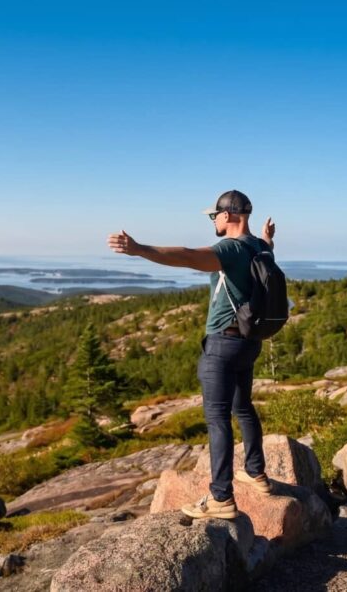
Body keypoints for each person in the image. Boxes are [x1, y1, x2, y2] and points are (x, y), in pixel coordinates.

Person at [106, 190, 275, 519]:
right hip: (249, 342)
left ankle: (221, 498)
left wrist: (139, 249)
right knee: (243, 409)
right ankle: (257, 474)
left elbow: (186, 256)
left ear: (227, 216)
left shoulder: (231, 248)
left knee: (217, 419)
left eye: (215, 216)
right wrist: (268, 239)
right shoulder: (259, 247)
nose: (213, 221)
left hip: (223, 344)